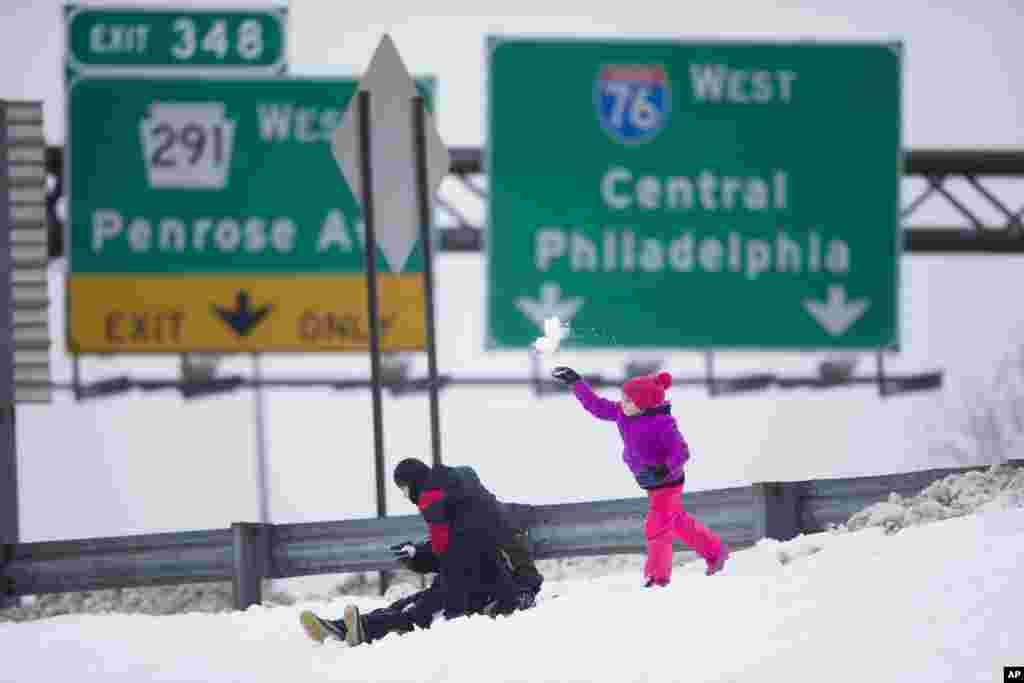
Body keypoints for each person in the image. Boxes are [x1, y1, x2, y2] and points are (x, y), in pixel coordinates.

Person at [300, 458, 542, 646]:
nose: (406, 496)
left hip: (478, 590)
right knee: (406, 604)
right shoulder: (457, 508)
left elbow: (502, 546)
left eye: (404, 489)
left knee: (416, 613)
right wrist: (417, 555)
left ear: (415, 483)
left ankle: (360, 631)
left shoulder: (462, 509)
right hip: (465, 581)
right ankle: (340, 628)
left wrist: (523, 589)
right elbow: (454, 551)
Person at [551, 366, 729, 587]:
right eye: (623, 398)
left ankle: (657, 577)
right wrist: (576, 382)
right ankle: (716, 551)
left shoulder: (662, 424)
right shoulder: (622, 413)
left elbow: (681, 452)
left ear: (644, 404)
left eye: (629, 401)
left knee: (657, 525)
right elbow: (596, 406)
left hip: (668, 482)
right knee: (677, 522)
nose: (622, 404)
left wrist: (665, 468)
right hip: (650, 482)